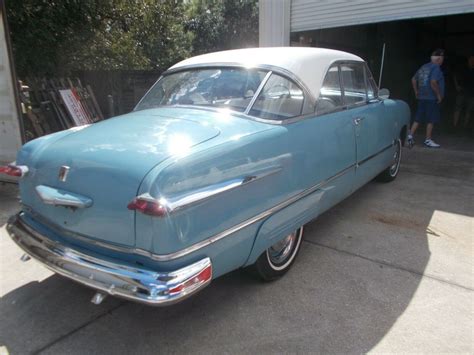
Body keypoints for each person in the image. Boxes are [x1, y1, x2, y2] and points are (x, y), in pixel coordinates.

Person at [408, 49, 445, 148]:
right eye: (442, 58)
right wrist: (438, 95)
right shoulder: (436, 68)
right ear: (438, 59)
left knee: (418, 117)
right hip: (431, 98)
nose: (442, 61)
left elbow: (413, 79)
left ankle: (410, 136)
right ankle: (428, 140)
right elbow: (433, 82)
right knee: (431, 119)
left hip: (422, 97)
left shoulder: (424, 67)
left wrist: (416, 91)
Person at [453, 56, 474, 129]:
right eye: (471, 59)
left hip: (471, 93)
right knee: (458, 108)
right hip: (462, 92)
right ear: (468, 60)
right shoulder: (463, 68)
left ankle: (465, 126)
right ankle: (454, 125)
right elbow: (455, 76)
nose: (472, 61)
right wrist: (457, 86)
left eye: (473, 60)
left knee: (469, 110)